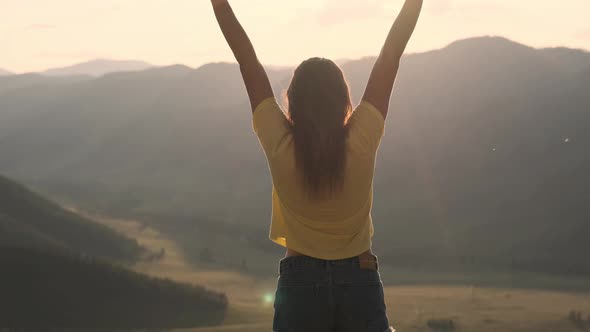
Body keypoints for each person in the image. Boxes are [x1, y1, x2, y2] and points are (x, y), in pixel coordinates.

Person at [210, 0, 423, 331]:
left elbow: (247, 62)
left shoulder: (280, 143)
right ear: (344, 101)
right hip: (360, 278)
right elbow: (390, 57)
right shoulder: (362, 138)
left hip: (300, 282)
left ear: (292, 101)